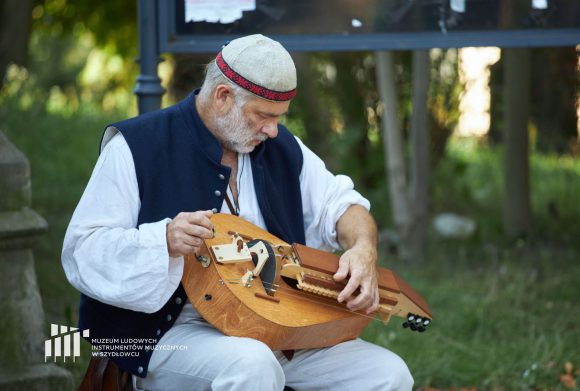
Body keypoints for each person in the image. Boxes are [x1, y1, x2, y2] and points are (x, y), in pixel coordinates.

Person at [62, 34, 413, 391]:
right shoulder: (137, 146)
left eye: (279, 118)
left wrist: (363, 249)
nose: (273, 130)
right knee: (252, 365)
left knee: (388, 373)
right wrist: (162, 240)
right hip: (164, 336)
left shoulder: (280, 147)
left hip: (273, 329)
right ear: (222, 97)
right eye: (263, 115)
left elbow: (343, 206)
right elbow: (82, 250)